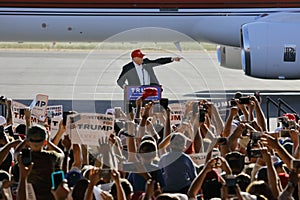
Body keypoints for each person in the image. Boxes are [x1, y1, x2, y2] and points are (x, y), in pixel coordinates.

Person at [117, 49, 181, 89]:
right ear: (134, 58)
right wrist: (126, 87)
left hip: (150, 90)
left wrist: (172, 59)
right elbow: (120, 81)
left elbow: (159, 61)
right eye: (140, 57)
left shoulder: (146, 62)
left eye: (142, 57)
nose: (142, 58)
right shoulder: (128, 68)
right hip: (136, 93)